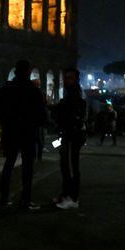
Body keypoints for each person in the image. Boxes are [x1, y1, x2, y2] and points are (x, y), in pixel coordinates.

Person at [0, 59, 46, 209]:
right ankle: (26, 200)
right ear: (28, 72)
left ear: (16, 72)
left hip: (11, 131)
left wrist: (6, 122)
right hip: (28, 132)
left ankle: (4, 199)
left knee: (8, 165)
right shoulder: (34, 91)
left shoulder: (7, 89)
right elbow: (41, 115)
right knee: (28, 168)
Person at [49, 67, 87, 209]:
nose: (67, 80)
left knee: (71, 167)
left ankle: (73, 198)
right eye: (66, 77)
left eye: (70, 78)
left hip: (72, 134)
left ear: (76, 79)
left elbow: (74, 114)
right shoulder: (71, 93)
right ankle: (66, 194)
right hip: (67, 133)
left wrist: (61, 115)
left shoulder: (76, 94)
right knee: (65, 165)